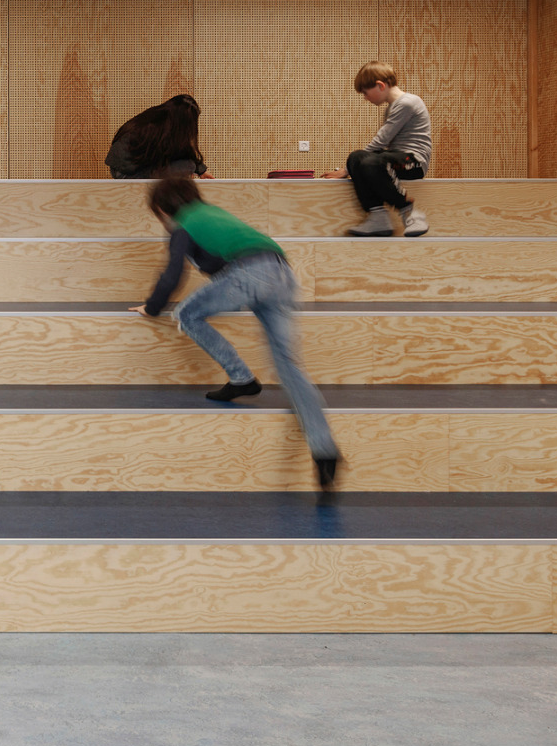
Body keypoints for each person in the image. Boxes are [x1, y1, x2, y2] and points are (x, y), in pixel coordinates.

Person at [131, 171, 340, 492]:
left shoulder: (183, 224)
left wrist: (152, 306)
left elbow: (173, 275)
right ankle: (324, 450)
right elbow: (223, 259)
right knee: (288, 366)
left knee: (186, 313)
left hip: (251, 275)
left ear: (162, 209)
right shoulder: (212, 213)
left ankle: (241, 377)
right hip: (283, 273)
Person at [321, 62, 432, 237]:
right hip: (396, 158)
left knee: (368, 160)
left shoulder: (407, 103)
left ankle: (409, 212)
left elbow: (381, 140)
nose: (365, 98)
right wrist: (352, 166)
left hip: (413, 162)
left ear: (380, 85)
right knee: (356, 157)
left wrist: (346, 171)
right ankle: (378, 216)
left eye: (365, 92)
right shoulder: (393, 106)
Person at [105, 93, 210, 179]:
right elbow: (179, 152)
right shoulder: (158, 130)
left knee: (187, 165)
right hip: (127, 173)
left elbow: (181, 151)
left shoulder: (158, 119)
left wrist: (201, 170)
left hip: (126, 168)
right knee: (187, 166)